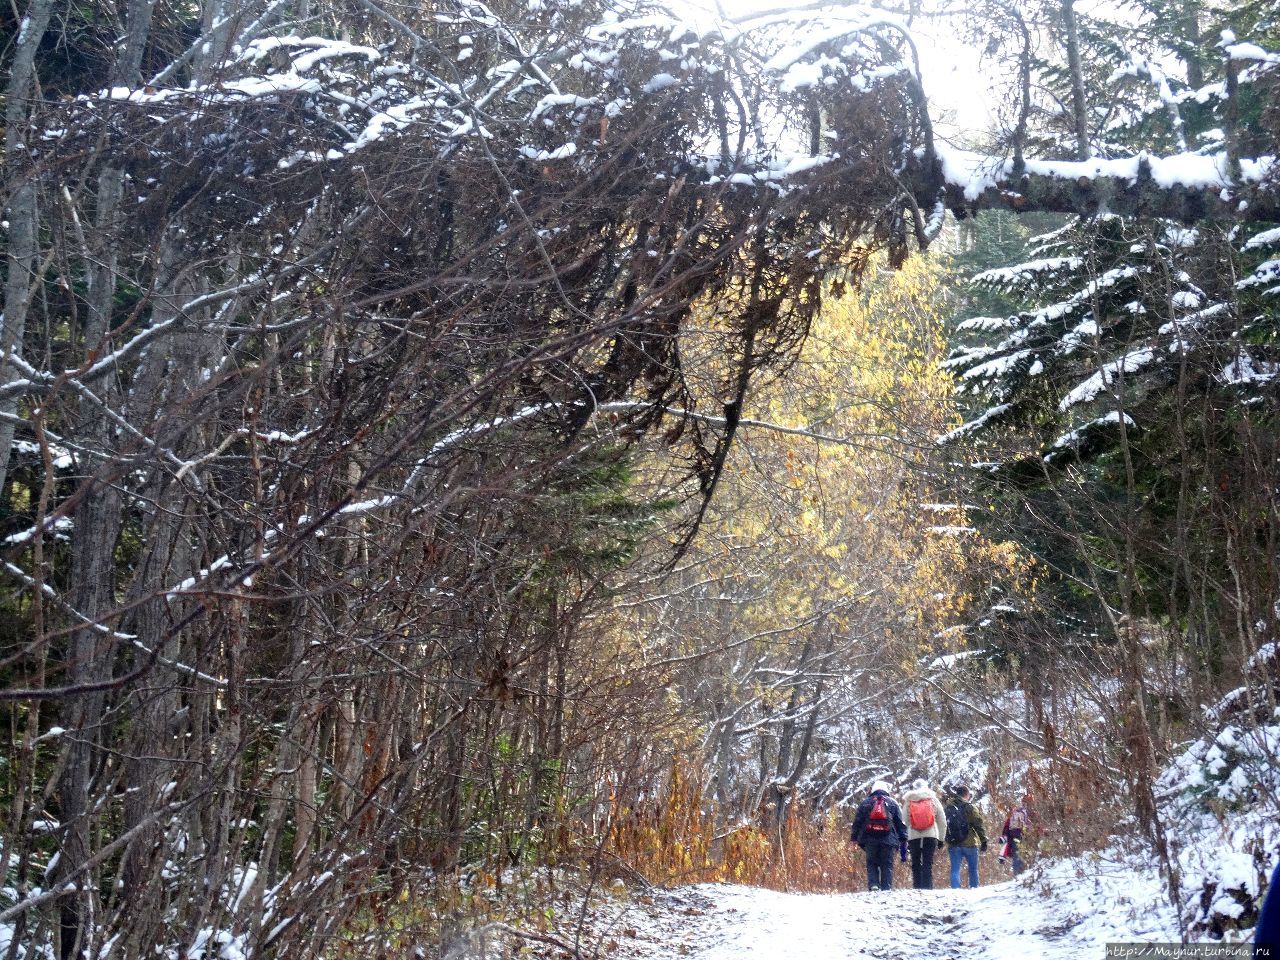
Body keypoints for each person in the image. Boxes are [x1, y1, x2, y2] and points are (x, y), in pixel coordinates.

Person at [850, 780, 908, 891]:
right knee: (887, 864)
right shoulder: (893, 803)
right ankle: (886, 888)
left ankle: (874, 885)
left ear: (873, 790)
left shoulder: (866, 802)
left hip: (869, 839)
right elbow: (900, 823)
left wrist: (854, 838)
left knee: (871, 863)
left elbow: (857, 822)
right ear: (886, 790)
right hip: (889, 840)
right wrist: (903, 838)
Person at [902, 778, 948, 889]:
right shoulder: (933, 799)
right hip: (930, 835)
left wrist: (906, 837)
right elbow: (942, 821)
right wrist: (941, 839)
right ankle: (928, 888)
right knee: (928, 863)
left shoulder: (909, 801)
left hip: (913, 836)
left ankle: (917, 888)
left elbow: (905, 821)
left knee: (915, 863)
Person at [944, 784, 987, 889]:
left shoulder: (948, 807)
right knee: (973, 869)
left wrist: (943, 839)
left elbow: (943, 824)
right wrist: (983, 840)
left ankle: (955, 891)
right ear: (967, 795)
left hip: (953, 843)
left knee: (955, 869)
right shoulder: (970, 807)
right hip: (970, 843)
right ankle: (974, 889)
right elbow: (978, 824)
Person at [998, 792, 1034, 877]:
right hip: (1024, 835)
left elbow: (1007, 826)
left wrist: (1004, 836)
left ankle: (1017, 875)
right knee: (1022, 855)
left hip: (1013, 835)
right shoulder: (1028, 812)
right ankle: (1022, 875)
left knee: (1016, 856)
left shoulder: (1014, 813)